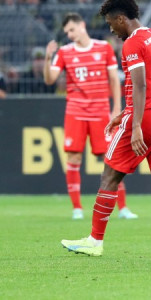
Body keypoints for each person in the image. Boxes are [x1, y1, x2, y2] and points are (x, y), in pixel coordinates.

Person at [61, 0, 151, 258]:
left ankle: (94, 241)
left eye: (112, 24)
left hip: (144, 118)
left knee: (109, 176)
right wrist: (123, 113)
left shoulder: (132, 43)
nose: (112, 30)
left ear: (121, 18)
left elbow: (141, 85)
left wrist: (135, 125)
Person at [43, 12, 138, 220]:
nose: (69, 34)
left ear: (82, 25)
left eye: (71, 29)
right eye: (67, 32)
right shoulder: (65, 52)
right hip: (75, 112)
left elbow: (114, 79)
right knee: (74, 158)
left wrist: (116, 108)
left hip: (100, 112)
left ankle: (122, 208)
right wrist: (48, 58)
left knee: (112, 159)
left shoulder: (104, 48)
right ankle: (77, 208)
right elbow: (50, 79)